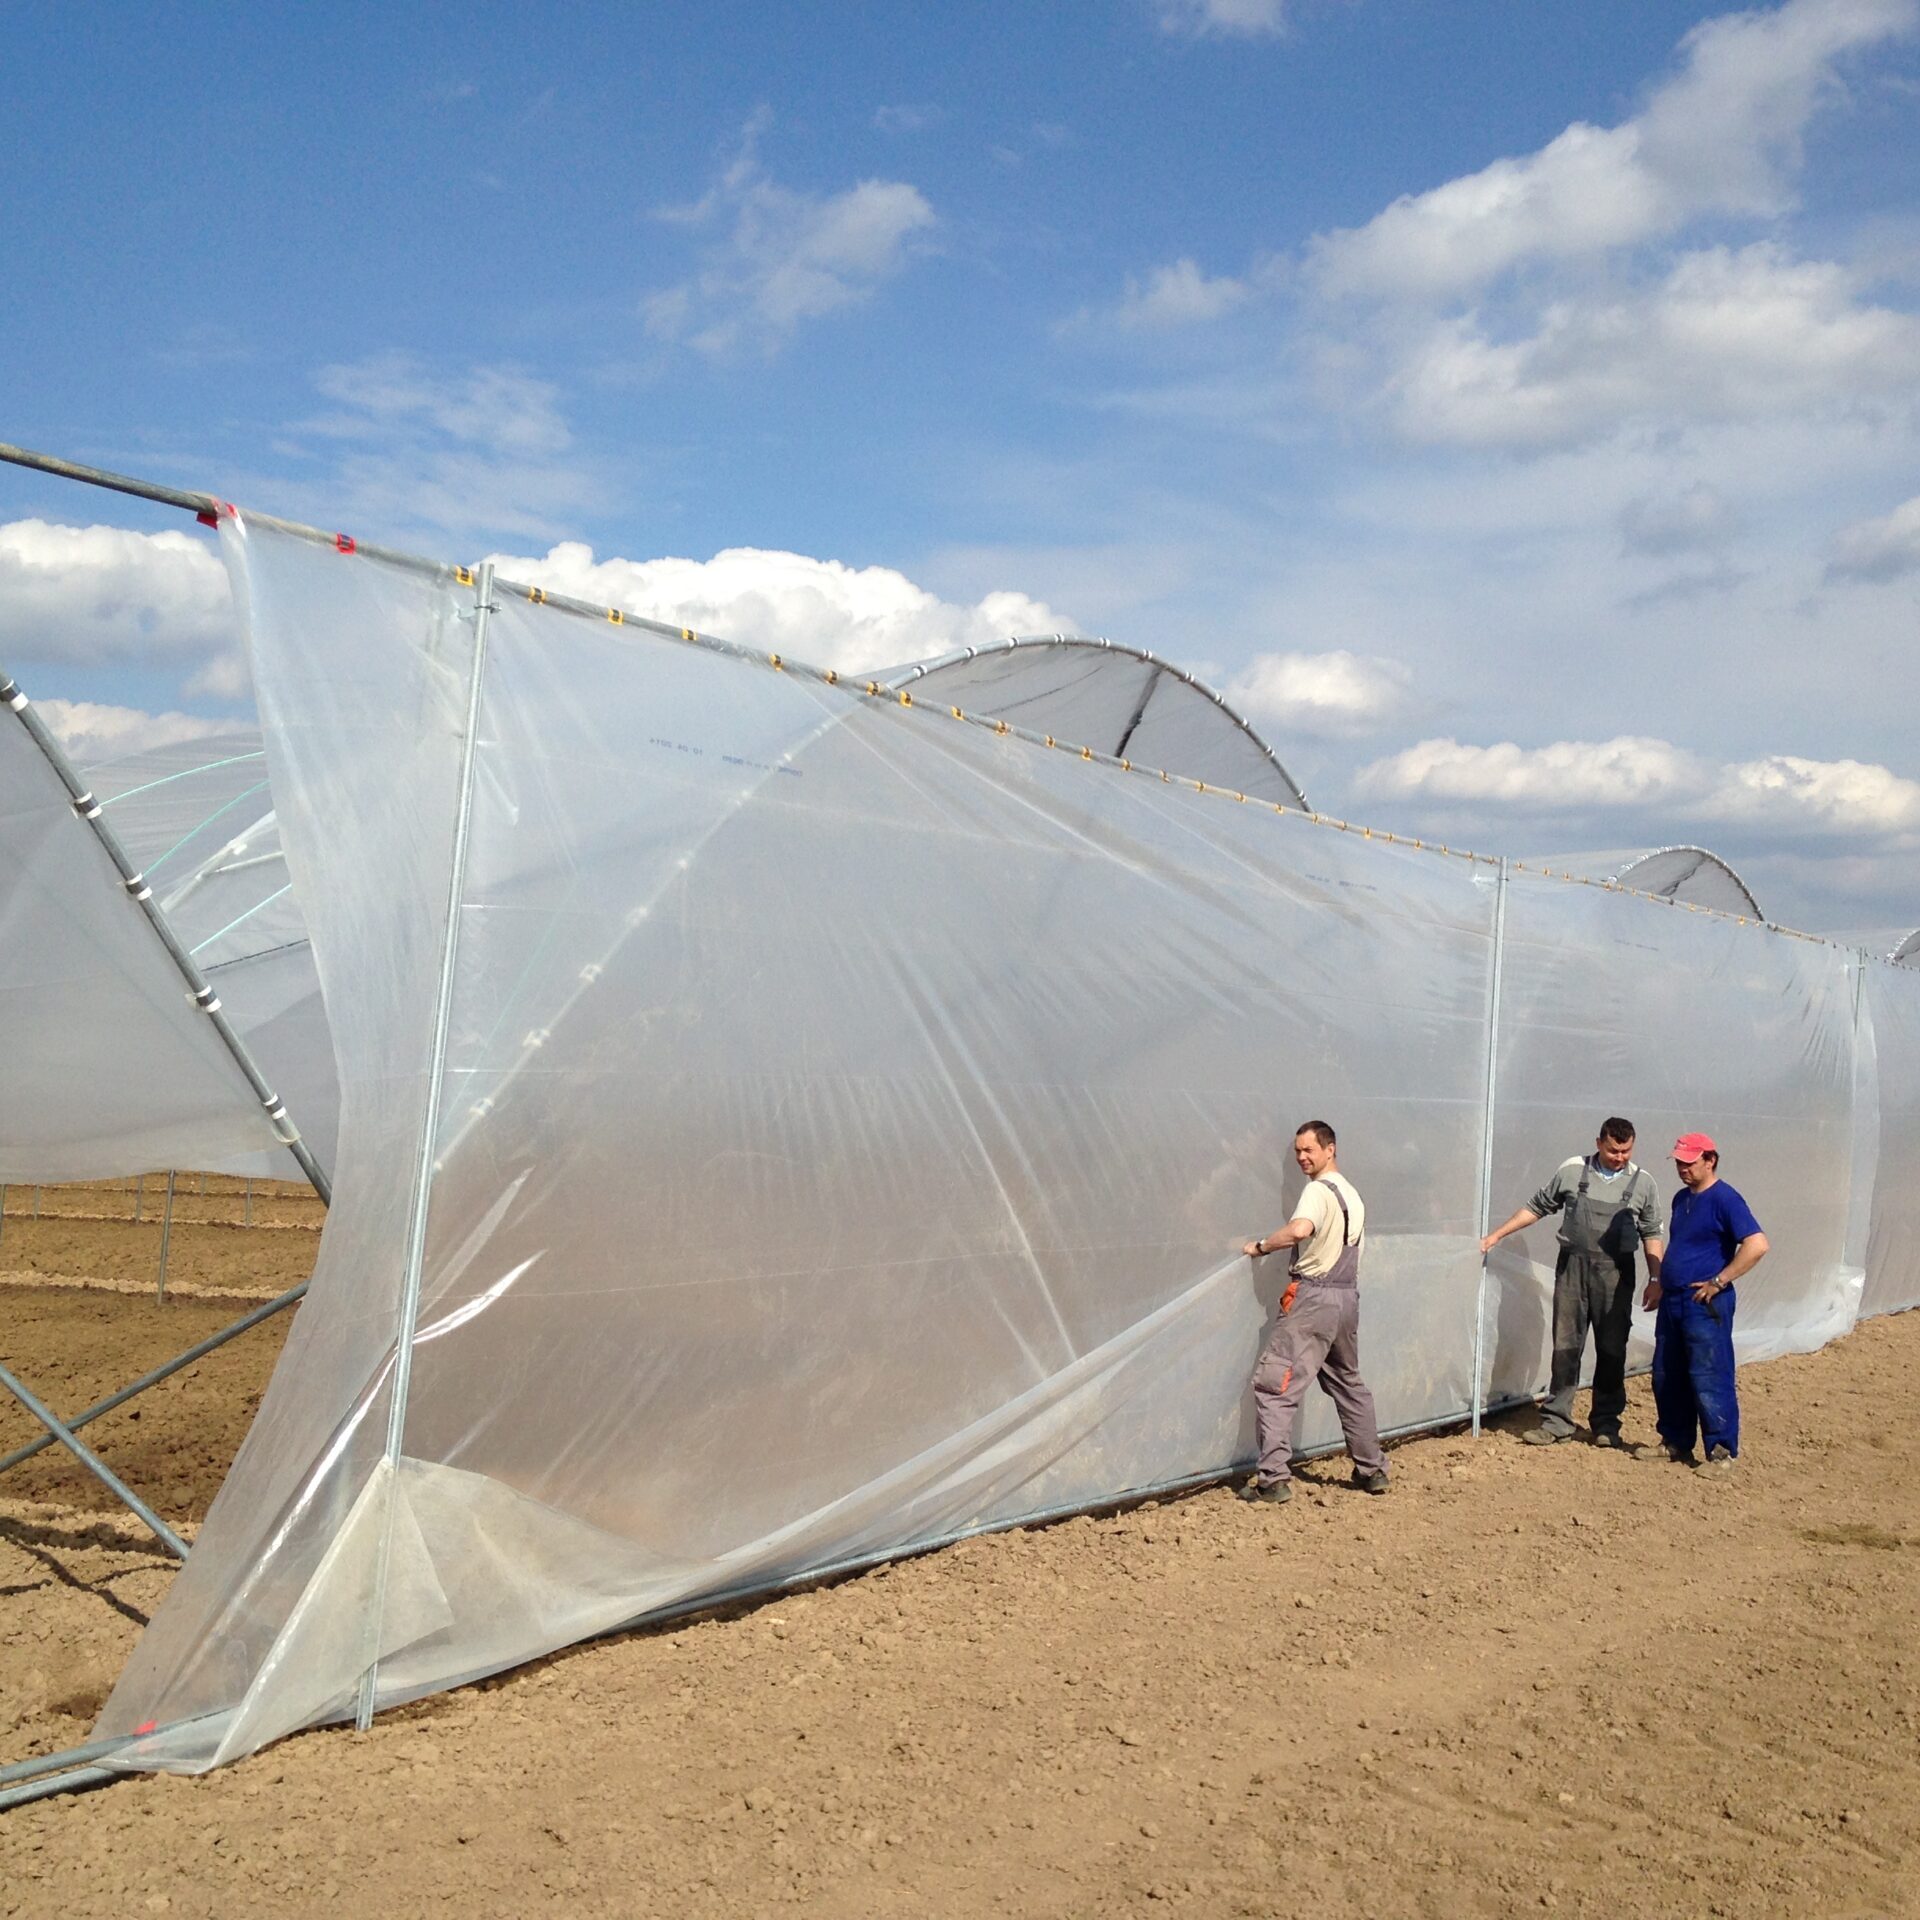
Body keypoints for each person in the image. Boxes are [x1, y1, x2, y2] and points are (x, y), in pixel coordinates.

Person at [1480, 1117, 1666, 1449]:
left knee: (1612, 1350)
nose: (1619, 1157)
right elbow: (1537, 1207)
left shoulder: (1643, 1183)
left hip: (1616, 1276)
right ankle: (1557, 1420)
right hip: (1572, 1271)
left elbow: (1651, 1232)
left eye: (1625, 1151)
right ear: (1598, 1143)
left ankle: (1606, 1424)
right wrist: (1496, 1235)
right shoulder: (1572, 1171)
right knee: (1566, 1346)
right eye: (1612, 1150)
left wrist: (1655, 1277)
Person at [1238, 1121, 1389, 1505]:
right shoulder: (1353, 1195)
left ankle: (1272, 1480)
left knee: (1274, 1387)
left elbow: (1300, 1230)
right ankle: (1372, 1471)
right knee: (1348, 1384)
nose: (1303, 1158)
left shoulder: (1317, 1191)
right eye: (1297, 1153)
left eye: (1309, 1150)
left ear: (1330, 1149)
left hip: (1313, 1300)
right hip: (1346, 1300)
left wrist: (1260, 1246)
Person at [1646, 1133, 1767, 1470]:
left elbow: (1757, 1244)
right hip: (1673, 1300)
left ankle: (1721, 1450)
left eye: (1689, 1162)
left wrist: (1720, 1280)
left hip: (1704, 1303)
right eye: (1679, 1162)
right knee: (1667, 1374)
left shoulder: (1726, 1199)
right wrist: (1658, 1282)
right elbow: (1679, 1244)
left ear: (1710, 1160)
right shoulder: (1681, 1199)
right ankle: (1675, 1441)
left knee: (1709, 1374)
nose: (1683, 1168)